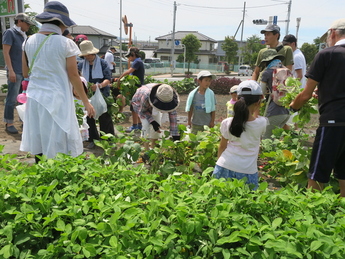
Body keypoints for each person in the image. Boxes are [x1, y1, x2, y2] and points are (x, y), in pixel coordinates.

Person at [20, 1, 95, 162]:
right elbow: (74, 76)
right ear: (61, 23)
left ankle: (41, 176)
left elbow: (25, 73)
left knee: (39, 139)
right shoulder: (65, 43)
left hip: (34, 98)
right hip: (56, 98)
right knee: (57, 142)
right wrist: (86, 102)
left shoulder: (28, 41)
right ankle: (58, 180)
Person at [290, 18, 345, 197]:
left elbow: (306, 94)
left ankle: (311, 213)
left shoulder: (327, 54)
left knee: (318, 173)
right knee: (344, 174)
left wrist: (293, 106)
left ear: (333, 33)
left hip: (333, 122)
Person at [213, 80, 267, 190]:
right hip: (247, 171)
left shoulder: (227, 123)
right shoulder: (262, 123)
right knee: (245, 203)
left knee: (219, 201)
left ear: (237, 99)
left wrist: (218, 164)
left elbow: (222, 146)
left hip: (224, 166)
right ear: (258, 103)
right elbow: (255, 118)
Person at [77, 40, 114, 149]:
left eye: (88, 55)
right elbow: (78, 77)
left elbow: (108, 79)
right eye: (85, 55)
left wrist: (99, 86)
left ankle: (107, 139)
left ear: (93, 53)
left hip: (102, 93)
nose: (87, 57)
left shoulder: (102, 63)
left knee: (104, 116)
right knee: (89, 117)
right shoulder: (81, 64)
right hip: (87, 94)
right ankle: (93, 139)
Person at [2, 13, 34, 134]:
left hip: (24, 72)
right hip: (15, 71)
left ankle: (23, 121)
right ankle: (9, 122)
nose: (28, 26)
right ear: (19, 21)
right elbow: (6, 52)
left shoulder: (23, 35)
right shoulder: (10, 33)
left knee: (23, 98)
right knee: (12, 98)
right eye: (27, 23)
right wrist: (11, 70)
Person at [131, 83, 180, 150]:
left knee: (157, 126)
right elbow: (143, 111)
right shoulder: (146, 96)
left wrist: (175, 136)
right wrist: (152, 122)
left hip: (150, 103)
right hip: (139, 104)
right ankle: (146, 149)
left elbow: (173, 117)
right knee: (146, 124)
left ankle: (154, 148)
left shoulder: (169, 95)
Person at [259, 49, 291, 139]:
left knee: (266, 139)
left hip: (274, 111)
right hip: (286, 112)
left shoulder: (267, 72)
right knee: (275, 139)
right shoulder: (286, 71)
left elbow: (261, 92)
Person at [117, 47, 145, 131]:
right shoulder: (138, 61)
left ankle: (135, 125)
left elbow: (128, 71)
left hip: (136, 88)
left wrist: (119, 79)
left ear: (133, 55)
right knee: (137, 107)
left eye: (129, 56)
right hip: (137, 87)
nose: (129, 58)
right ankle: (139, 125)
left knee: (134, 107)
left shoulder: (137, 62)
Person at [185, 70, 216, 134]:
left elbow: (213, 109)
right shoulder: (193, 94)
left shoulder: (211, 94)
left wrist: (212, 122)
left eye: (209, 80)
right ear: (199, 81)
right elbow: (190, 108)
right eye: (206, 80)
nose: (208, 83)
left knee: (206, 141)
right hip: (196, 123)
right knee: (194, 141)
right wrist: (189, 121)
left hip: (207, 124)